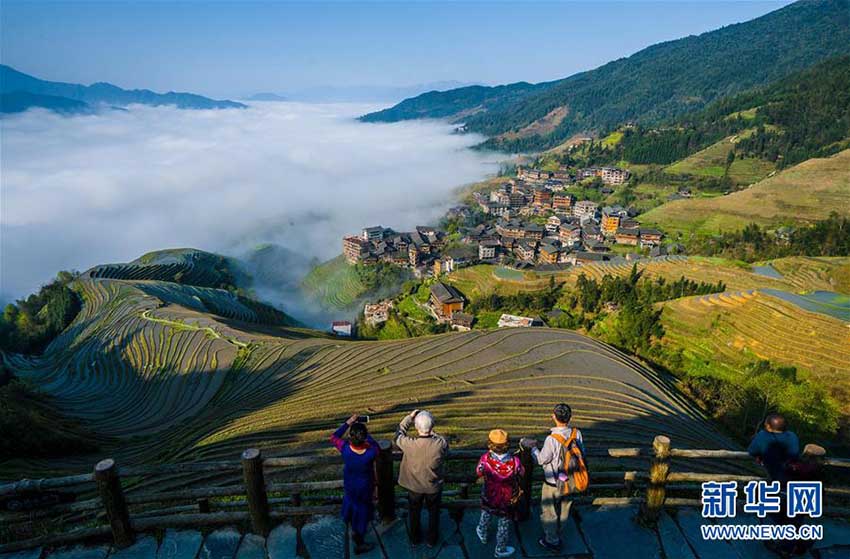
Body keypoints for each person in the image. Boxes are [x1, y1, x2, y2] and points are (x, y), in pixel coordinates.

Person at [521, 403, 585, 553]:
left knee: (549, 511)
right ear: (570, 417)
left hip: (553, 482)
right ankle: (559, 530)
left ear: (554, 417)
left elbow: (542, 459)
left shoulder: (552, 439)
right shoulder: (577, 433)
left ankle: (552, 540)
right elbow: (582, 453)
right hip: (571, 480)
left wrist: (534, 449)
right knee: (565, 508)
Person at [395, 409, 448, 547]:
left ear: (417, 427)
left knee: (414, 512)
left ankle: (415, 539)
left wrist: (409, 417)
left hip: (414, 487)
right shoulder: (441, 444)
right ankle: (432, 540)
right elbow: (442, 442)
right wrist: (431, 430)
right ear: (432, 427)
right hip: (433, 487)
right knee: (434, 512)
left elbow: (398, 433)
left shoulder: (409, 444)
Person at [331, 414, 379, 555]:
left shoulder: (345, 448)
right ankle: (359, 542)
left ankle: (353, 529)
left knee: (352, 507)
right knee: (362, 513)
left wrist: (348, 423)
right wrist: (365, 434)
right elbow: (374, 444)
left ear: (350, 437)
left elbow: (333, 437)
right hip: (365, 488)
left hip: (350, 486)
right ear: (363, 438)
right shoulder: (371, 452)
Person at [475, 429, 524, 558]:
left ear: (490, 444)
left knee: (486, 512)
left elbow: (479, 472)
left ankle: (482, 532)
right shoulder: (515, 462)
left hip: (489, 494)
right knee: (504, 522)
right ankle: (500, 549)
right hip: (506, 498)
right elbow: (521, 473)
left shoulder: (485, 459)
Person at [747, 413, 800, 483]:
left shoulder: (763, 435)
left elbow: (752, 451)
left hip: (769, 473)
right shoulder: (792, 436)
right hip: (790, 475)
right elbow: (795, 454)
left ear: (768, 426)